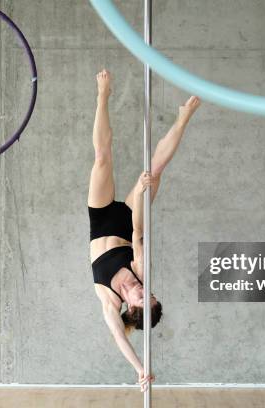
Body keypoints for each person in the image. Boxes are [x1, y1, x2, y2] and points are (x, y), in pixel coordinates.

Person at [88, 69, 200, 391]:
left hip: (100, 220)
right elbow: (137, 231)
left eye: (143, 297)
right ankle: (184, 117)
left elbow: (118, 339)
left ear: (133, 308)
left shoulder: (109, 301)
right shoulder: (140, 271)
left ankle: (103, 95)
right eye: (151, 294)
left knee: (102, 160)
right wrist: (140, 190)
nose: (144, 290)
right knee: (155, 170)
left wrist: (140, 370)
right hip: (128, 221)